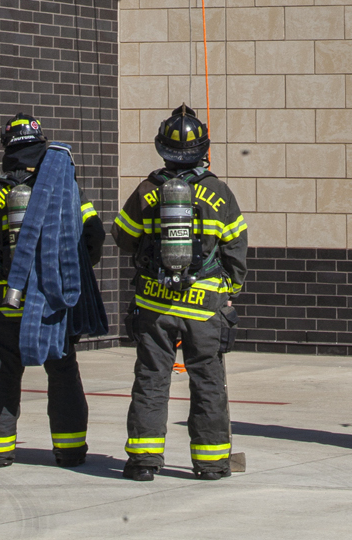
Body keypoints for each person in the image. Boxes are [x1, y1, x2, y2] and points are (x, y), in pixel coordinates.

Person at [0, 112, 104, 467]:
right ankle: (70, 450)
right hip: (51, 303)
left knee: (2, 373)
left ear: (7, 148)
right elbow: (94, 235)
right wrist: (69, 275)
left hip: (5, 303)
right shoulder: (64, 186)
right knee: (63, 372)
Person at [113, 105, 248, 481]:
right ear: (203, 149)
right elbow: (237, 248)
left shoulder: (148, 190)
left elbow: (122, 236)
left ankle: (143, 461)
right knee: (207, 381)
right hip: (204, 307)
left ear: (162, 149)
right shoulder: (219, 192)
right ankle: (211, 463)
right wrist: (231, 290)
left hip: (154, 305)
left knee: (151, 378)